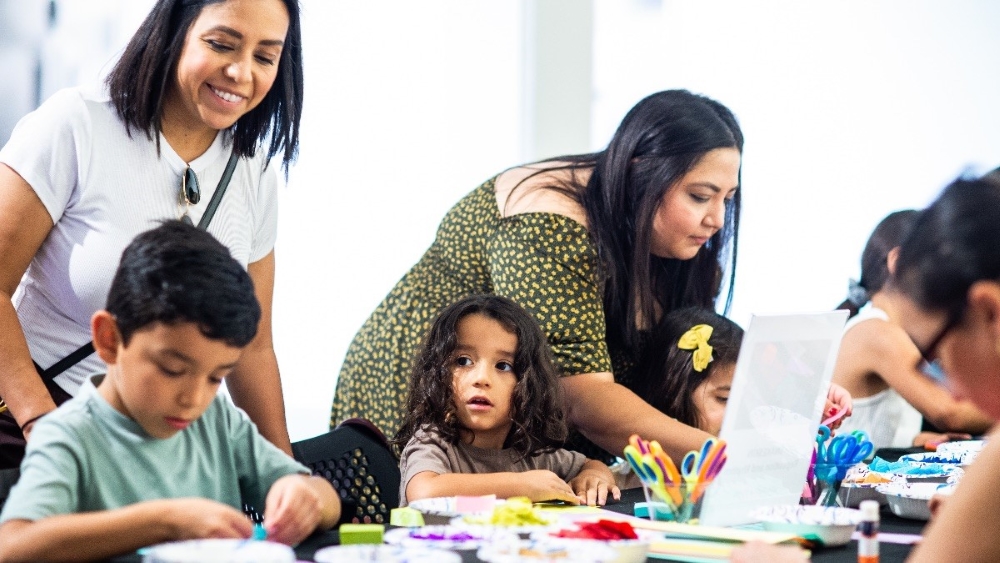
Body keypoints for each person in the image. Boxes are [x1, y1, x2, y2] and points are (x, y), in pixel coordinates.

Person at [336, 89, 756, 465]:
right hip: (426, 412)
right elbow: (582, 399)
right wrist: (727, 456)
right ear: (639, 172)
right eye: (700, 196)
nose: (718, 219)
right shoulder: (546, 226)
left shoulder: (672, 239)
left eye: (728, 198)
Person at [0, 0, 303, 472]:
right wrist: (43, 424)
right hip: (31, 425)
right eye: (221, 44)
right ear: (175, 30)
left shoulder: (253, 171)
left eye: (265, 57)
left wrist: (285, 472)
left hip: (152, 448)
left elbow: (253, 347)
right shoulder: (77, 124)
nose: (241, 73)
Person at [0, 221, 339, 561]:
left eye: (215, 378)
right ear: (109, 339)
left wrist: (302, 495)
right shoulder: (68, 436)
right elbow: (12, 546)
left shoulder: (217, 422)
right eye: (172, 370)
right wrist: (165, 522)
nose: (193, 399)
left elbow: (325, 498)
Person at [395, 295, 621, 507]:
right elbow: (424, 492)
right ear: (437, 374)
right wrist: (521, 486)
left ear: (529, 384)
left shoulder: (528, 454)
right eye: (463, 361)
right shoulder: (433, 443)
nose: (482, 378)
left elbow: (589, 465)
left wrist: (593, 476)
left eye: (503, 366)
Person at [831, 210, 992, 449]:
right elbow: (950, 411)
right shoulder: (876, 329)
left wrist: (912, 439)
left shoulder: (880, 327)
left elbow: (870, 429)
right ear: (897, 262)